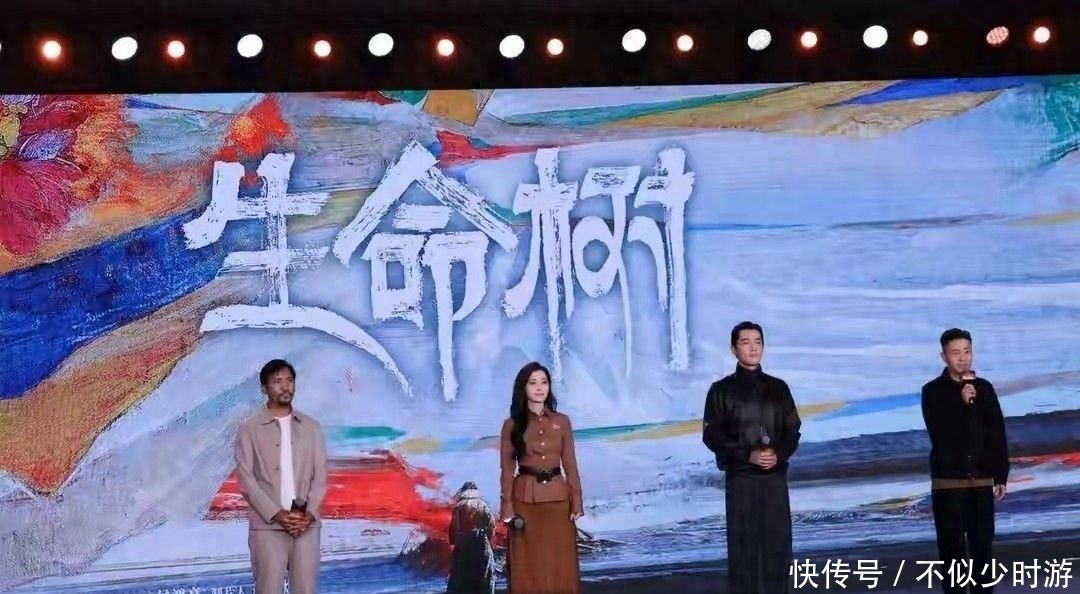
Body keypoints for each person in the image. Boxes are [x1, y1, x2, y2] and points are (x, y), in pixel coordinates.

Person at [702, 321, 802, 594]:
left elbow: (793, 430)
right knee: (743, 550)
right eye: (745, 342)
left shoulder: (779, 388)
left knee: (778, 547)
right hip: (741, 480)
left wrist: (778, 455)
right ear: (734, 349)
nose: (753, 347)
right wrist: (749, 455)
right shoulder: (720, 390)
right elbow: (712, 436)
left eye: (758, 341)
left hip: (774, 480)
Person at [921, 328, 1009, 593]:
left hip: (981, 482)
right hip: (948, 485)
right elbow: (940, 433)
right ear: (944, 356)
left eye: (967, 351)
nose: (963, 358)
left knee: (983, 554)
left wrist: (1001, 475)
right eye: (956, 353)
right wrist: (962, 403)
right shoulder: (932, 392)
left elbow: (996, 433)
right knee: (953, 557)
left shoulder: (985, 389)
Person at [234, 359, 328, 594]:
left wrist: (309, 515)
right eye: (277, 381)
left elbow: (321, 476)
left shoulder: (312, 427)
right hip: (267, 528)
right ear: (264, 388)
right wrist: (277, 514)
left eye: (290, 380)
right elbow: (246, 480)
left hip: (306, 526)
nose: (285, 386)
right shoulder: (249, 429)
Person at [499, 361, 584, 594]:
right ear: (523, 388)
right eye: (533, 382)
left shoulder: (562, 421)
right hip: (526, 504)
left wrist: (577, 500)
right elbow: (507, 470)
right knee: (528, 565)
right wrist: (507, 507)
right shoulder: (511, 425)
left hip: (558, 502)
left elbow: (570, 464)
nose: (539, 387)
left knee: (561, 563)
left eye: (544, 382)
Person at [447, 481, 496, 594]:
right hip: (481, 545)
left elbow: (452, 531)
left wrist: (454, 542)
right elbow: (491, 526)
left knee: (460, 580)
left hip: (462, 547)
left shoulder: (458, 507)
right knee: (485, 578)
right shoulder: (483, 505)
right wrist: (487, 539)